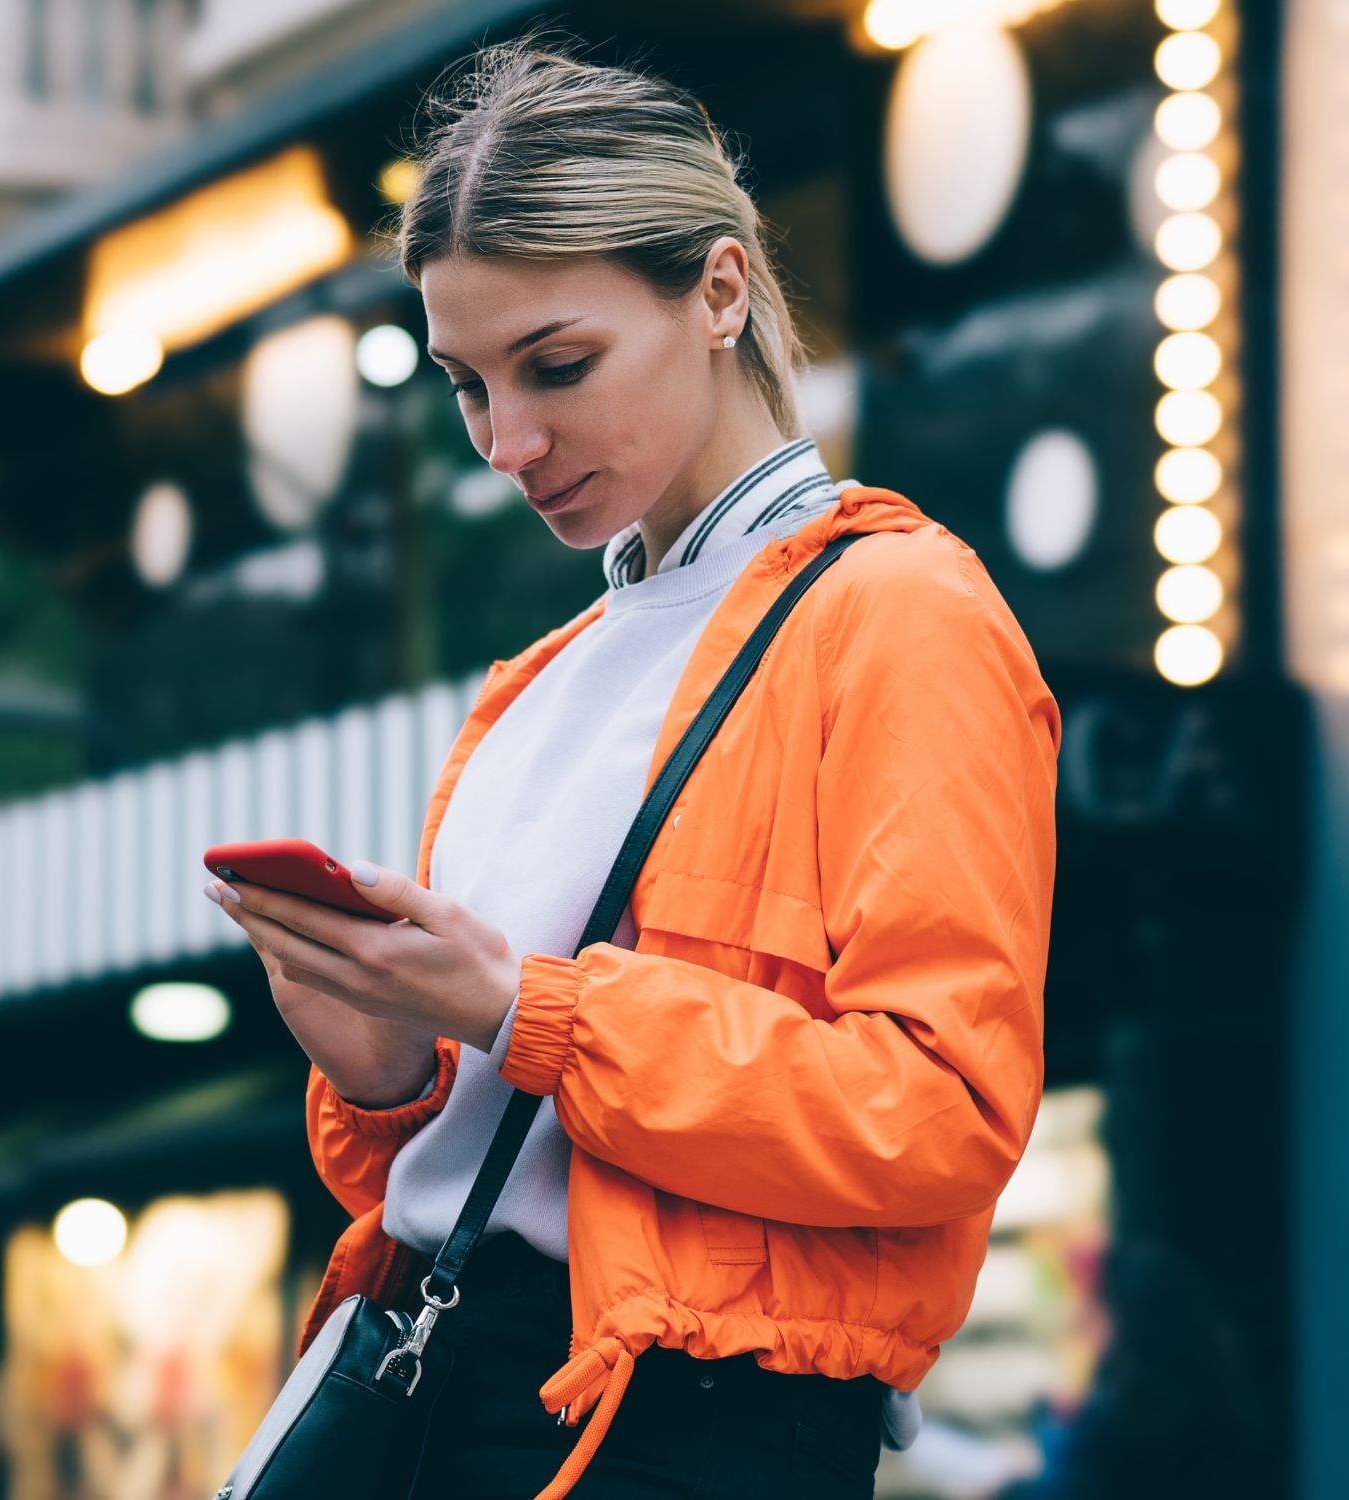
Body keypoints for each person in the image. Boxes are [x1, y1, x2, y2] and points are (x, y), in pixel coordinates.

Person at [202, 26, 1061, 1500]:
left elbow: (940, 1113)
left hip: (686, 1420)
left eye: (559, 363)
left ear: (721, 288)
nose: (506, 440)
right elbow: (468, 1152)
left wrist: (524, 1009)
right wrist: (387, 1063)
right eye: (467, 384)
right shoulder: (536, 686)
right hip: (437, 1370)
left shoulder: (899, 614)